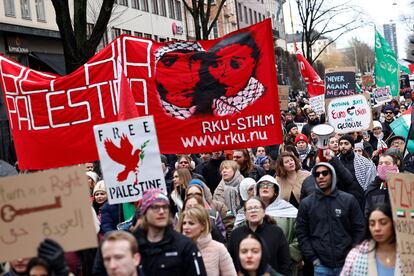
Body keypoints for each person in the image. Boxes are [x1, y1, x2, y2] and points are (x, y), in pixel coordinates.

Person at [93, 189, 207, 276]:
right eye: (155, 207)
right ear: (144, 213)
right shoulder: (131, 244)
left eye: (165, 207)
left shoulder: (184, 245)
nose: (161, 211)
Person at [296, 163, 365, 275]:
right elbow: (302, 233)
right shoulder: (306, 204)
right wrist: (313, 258)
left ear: (332, 175)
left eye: (325, 173)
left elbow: (359, 229)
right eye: (317, 174)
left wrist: (353, 254)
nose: (321, 177)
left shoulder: (348, 200)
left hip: (347, 263)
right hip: (320, 265)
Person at [234, 175, 301, 275]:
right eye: (262, 185)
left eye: (269, 184)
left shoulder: (289, 211)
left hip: (282, 264)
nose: (265, 186)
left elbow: (300, 236)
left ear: (275, 191)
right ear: (257, 190)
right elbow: (236, 239)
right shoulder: (247, 211)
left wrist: (287, 253)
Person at [228, 198, 291, 275]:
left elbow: (285, 263)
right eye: (249, 208)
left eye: (256, 207)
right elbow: (230, 263)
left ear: (264, 212)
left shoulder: (276, 232)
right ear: (245, 214)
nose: (253, 211)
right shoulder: (236, 234)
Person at [341, 204, 403, 275]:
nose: (377, 228)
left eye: (383, 223)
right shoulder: (355, 255)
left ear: (393, 223)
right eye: (372, 224)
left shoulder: (409, 253)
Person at [177, 205, 237, 276]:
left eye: (191, 223)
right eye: (184, 223)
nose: (186, 227)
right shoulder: (176, 249)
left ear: (203, 226)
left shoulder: (218, 249)